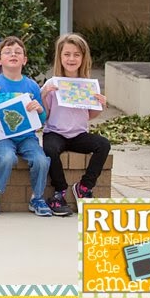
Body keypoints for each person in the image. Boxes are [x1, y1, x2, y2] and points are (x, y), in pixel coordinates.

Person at [0, 36, 51, 217]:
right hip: (1, 137)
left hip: (27, 137)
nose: (13, 54)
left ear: (24, 60)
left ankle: (37, 197)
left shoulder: (31, 86)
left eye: (18, 52)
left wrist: (39, 109)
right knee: (7, 157)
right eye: (8, 52)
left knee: (41, 160)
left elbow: (41, 120)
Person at [41, 33, 110, 216]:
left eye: (76, 55)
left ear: (83, 58)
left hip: (79, 134)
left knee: (103, 144)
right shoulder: (52, 84)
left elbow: (89, 115)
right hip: (55, 132)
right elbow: (45, 115)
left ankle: (84, 187)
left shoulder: (88, 85)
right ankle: (59, 192)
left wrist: (101, 105)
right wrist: (44, 95)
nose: (71, 59)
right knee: (50, 149)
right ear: (60, 57)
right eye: (67, 54)